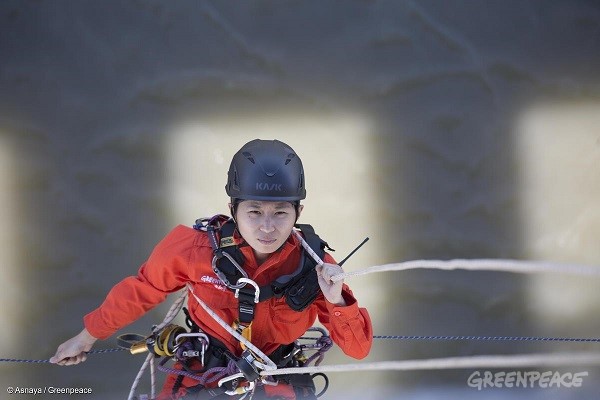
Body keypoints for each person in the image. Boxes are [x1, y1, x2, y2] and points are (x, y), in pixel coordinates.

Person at [50, 139, 373, 399]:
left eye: (280, 213)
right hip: (199, 380)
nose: (267, 227)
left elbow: (358, 350)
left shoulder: (316, 267)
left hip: (277, 383)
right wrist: (88, 336)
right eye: (254, 211)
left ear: (298, 211)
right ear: (232, 208)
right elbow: (141, 291)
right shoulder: (194, 249)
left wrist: (337, 302)